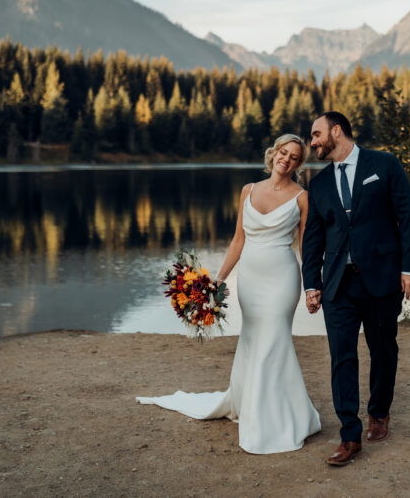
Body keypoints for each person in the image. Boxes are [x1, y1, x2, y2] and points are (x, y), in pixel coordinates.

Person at [136, 134, 321, 454]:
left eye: (294, 157)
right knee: (252, 340)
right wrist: (218, 281)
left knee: (274, 339)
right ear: (274, 153)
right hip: (250, 279)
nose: (286, 159)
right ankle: (252, 404)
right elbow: (238, 240)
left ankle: (274, 418)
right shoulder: (247, 191)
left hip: (282, 278)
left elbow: (305, 246)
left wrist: (311, 286)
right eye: (283, 152)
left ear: (298, 164)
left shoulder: (302, 197)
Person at [301, 111, 410, 466]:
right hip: (338, 283)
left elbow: (409, 216)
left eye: (316, 134)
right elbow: (313, 239)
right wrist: (312, 284)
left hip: (382, 278)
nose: (313, 142)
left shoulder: (384, 164)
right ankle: (349, 435)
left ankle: (380, 411)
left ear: (337, 131)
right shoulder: (319, 184)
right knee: (342, 357)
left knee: (383, 349)